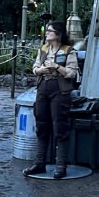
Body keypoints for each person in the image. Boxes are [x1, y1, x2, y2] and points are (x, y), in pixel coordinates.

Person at [23, 21, 80, 179]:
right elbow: (34, 68)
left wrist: (56, 66)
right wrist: (40, 70)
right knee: (41, 124)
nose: (47, 33)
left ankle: (61, 165)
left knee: (60, 125)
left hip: (60, 91)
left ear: (58, 34)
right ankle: (39, 163)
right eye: (47, 30)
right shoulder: (43, 50)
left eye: (50, 31)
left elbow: (72, 73)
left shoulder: (68, 51)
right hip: (43, 89)